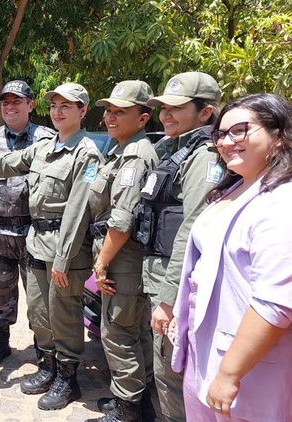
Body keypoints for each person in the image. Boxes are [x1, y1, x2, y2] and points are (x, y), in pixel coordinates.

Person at [0, 82, 103, 411]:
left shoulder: (88, 154)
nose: (58, 111)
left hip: (62, 248)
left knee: (63, 316)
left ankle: (68, 379)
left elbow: (80, 210)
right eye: (54, 105)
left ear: (82, 111)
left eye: (66, 106)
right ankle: (50, 368)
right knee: (40, 312)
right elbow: (4, 164)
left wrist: (64, 259)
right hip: (36, 241)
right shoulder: (44, 147)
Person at [170, 93, 292, 421]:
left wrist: (229, 374)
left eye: (239, 130)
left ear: (279, 135)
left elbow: (275, 303)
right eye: (221, 134)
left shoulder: (283, 201)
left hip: (247, 364)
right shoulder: (234, 187)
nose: (226, 142)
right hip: (207, 347)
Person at [125, 72, 221, 422]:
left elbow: (191, 229)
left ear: (206, 112)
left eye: (177, 108)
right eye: (164, 107)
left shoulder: (205, 156)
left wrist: (168, 300)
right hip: (158, 275)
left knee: (170, 375)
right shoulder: (177, 148)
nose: (166, 114)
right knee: (161, 368)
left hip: (174, 283)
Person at [0, 80, 55, 370]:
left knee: (39, 296)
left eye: (17, 101)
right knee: (1, 291)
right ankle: (1, 342)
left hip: (35, 231)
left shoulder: (47, 139)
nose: (10, 106)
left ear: (31, 106)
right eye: (5, 102)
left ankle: (44, 348)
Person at [86, 81, 159, 421]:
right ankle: (139, 403)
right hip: (120, 258)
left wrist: (101, 264)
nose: (110, 117)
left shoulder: (135, 155)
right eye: (109, 111)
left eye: (121, 112)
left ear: (143, 118)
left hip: (121, 262)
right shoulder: (121, 149)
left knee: (118, 336)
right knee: (132, 333)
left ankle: (128, 409)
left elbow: (122, 219)